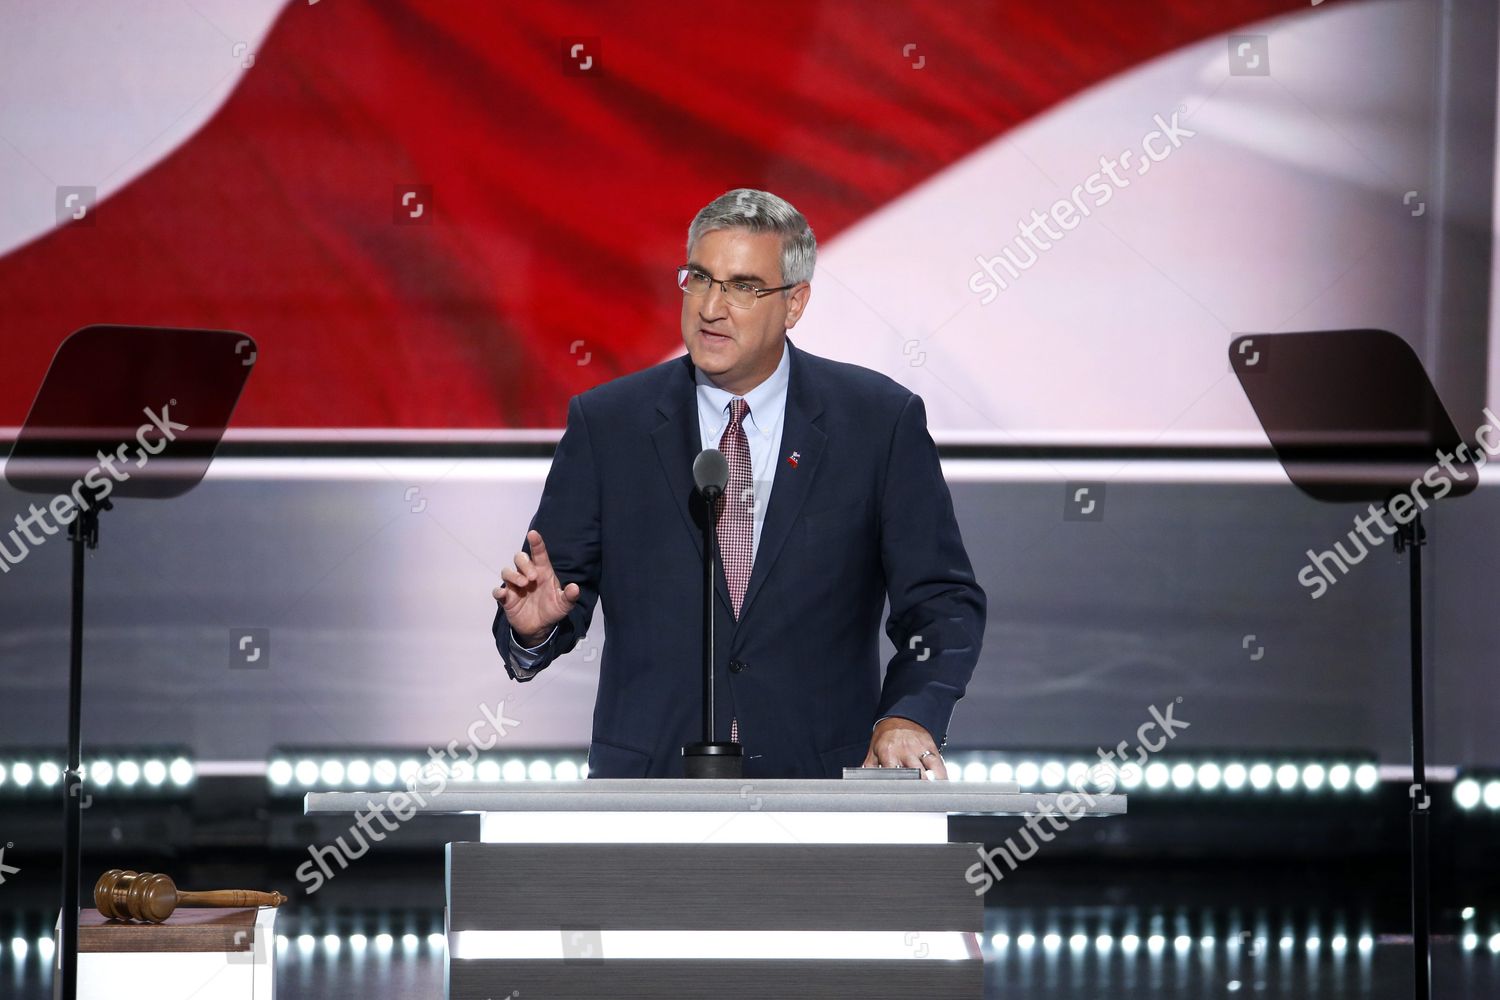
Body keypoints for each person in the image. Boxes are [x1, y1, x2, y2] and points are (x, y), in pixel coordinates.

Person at [492, 188, 986, 779]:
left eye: (743, 287)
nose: (710, 307)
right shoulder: (609, 425)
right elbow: (547, 596)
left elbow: (942, 603)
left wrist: (908, 715)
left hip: (819, 787)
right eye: (699, 278)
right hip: (649, 792)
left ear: (795, 303)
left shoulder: (877, 422)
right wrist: (532, 631)